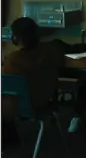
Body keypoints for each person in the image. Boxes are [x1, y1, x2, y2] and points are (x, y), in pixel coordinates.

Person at [2, 17, 64, 148]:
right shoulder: (51, 52)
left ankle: (9, 136)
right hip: (45, 102)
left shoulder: (12, 61)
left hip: (19, 107)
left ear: (15, 38)